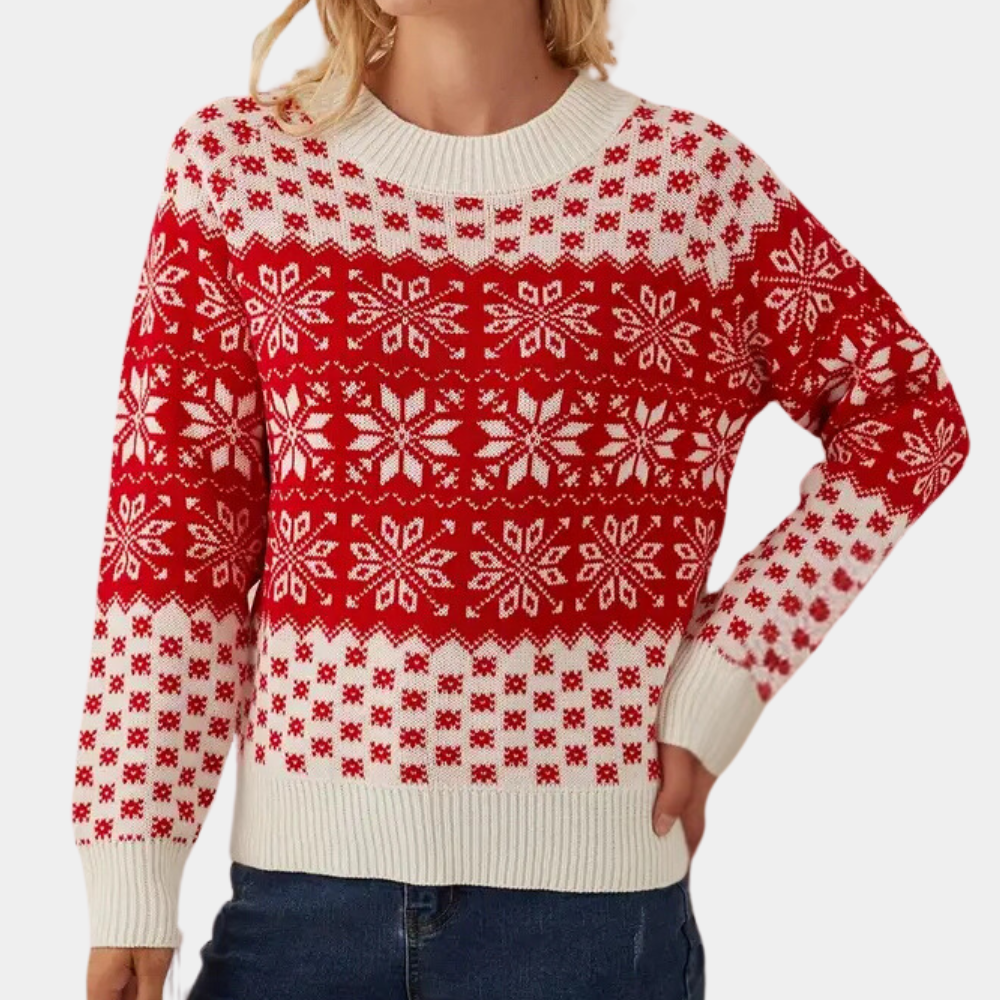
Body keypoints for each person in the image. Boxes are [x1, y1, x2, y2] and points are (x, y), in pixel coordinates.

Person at [73, 0, 971, 998]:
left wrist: (727, 675)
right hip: (301, 911)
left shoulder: (689, 189)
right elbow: (174, 539)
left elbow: (908, 418)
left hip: (591, 921)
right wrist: (132, 870)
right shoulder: (244, 169)